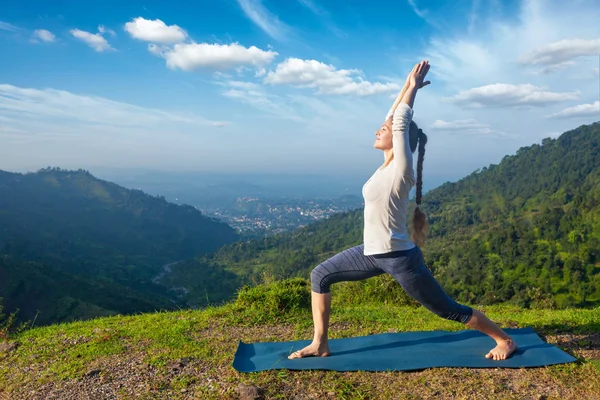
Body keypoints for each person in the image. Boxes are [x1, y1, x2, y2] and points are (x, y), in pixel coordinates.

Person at [288, 61, 517, 362]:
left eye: (383, 130)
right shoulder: (385, 166)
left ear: (399, 141)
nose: (377, 129)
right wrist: (406, 86)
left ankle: (504, 339)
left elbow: (398, 122)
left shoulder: (401, 169)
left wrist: (412, 92)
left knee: (447, 309)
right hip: (371, 252)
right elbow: (392, 117)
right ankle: (320, 343)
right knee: (320, 275)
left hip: (399, 259)